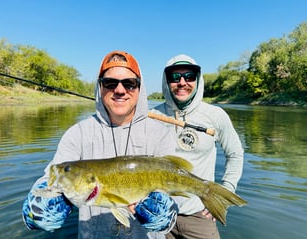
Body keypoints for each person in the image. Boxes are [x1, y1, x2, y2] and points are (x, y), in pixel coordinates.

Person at [22, 50, 179, 239]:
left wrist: (167, 216)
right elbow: (49, 179)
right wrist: (35, 211)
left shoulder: (160, 134)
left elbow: (175, 195)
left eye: (129, 83)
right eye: (110, 83)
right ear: (100, 88)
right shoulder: (78, 133)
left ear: (140, 88)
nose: (120, 90)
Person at [150, 54, 244, 239]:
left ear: (198, 80)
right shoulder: (151, 115)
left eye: (189, 76)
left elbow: (235, 153)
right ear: (166, 81)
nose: (182, 82)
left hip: (199, 214)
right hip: (158, 213)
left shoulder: (216, 115)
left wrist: (227, 190)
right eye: (175, 77)